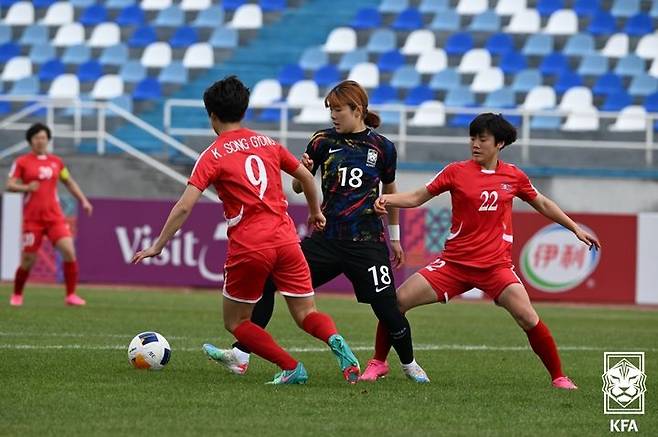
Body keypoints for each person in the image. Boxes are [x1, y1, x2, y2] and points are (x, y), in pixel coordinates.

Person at [132, 76, 360, 385]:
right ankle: (334, 339)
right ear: (244, 110)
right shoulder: (268, 143)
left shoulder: (212, 154)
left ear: (212, 116)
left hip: (251, 245)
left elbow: (185, 206)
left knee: (236, 321)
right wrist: (315, 212)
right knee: (307, 313)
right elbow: (307, 177)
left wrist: (158, 245)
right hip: (287, 238)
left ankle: (291, 366)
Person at [203, 80, 429, 383]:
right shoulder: (322, 141)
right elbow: (299, 184)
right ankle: (241, 355)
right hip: (327, 240)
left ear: (357, 109)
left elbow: (391, 192)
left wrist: (396, 237)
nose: (333, 115)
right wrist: (304, 169)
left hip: (366, 241)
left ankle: (408, 364)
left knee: (388, 307)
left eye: (338, 109)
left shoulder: (383, 147)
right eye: (330, 109)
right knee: (268, 282)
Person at [368, 113, 601, 390]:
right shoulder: (455, 171)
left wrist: (574, 228)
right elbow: (418, 197)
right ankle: (379, 362)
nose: (475, 144)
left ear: (499, 143)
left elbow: (542, 203)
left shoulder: (514, 176)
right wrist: (386, 198)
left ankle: (559, 377)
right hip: (454, 264)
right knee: (396, 304)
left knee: (527, 316)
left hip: (495, 267)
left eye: (482, 139)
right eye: (472, 138)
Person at [7, 123, 93, 307]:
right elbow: (10, 184)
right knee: (28, 260)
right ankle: (17, 294)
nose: (40, 141)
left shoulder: (56, 162)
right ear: (30, 140)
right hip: (33, 219)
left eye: (44, 137)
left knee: (69, 251)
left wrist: (83, 200)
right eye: (37, 137)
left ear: (48, 140)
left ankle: (71, 295)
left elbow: (68, 182)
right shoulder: (22, 162)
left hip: (54, 218)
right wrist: (26, 187)